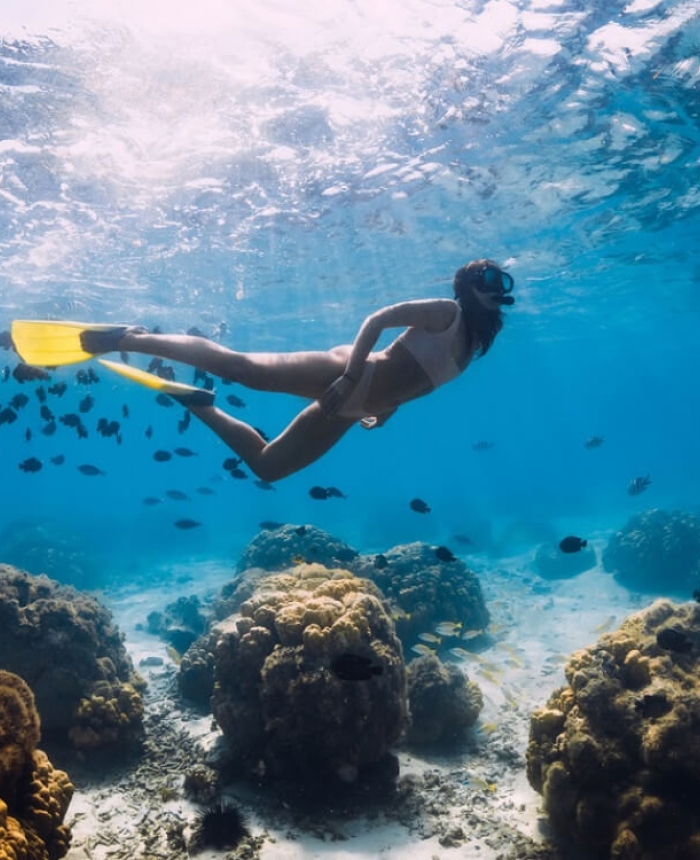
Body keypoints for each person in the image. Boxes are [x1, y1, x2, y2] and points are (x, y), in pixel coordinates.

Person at [13, 259, 514, 481]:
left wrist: (388, 409)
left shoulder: (471, 346)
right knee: (244, 369)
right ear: (467, 286)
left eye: (501, 278)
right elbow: (378, 320)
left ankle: (197, 403)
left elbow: (416, 377)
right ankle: (129, 337)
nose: (498, 284)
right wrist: (350, 375)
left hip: (356, 405)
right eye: (489, 277)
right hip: (348, 374)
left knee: (269, 467)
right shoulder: (445, 313)